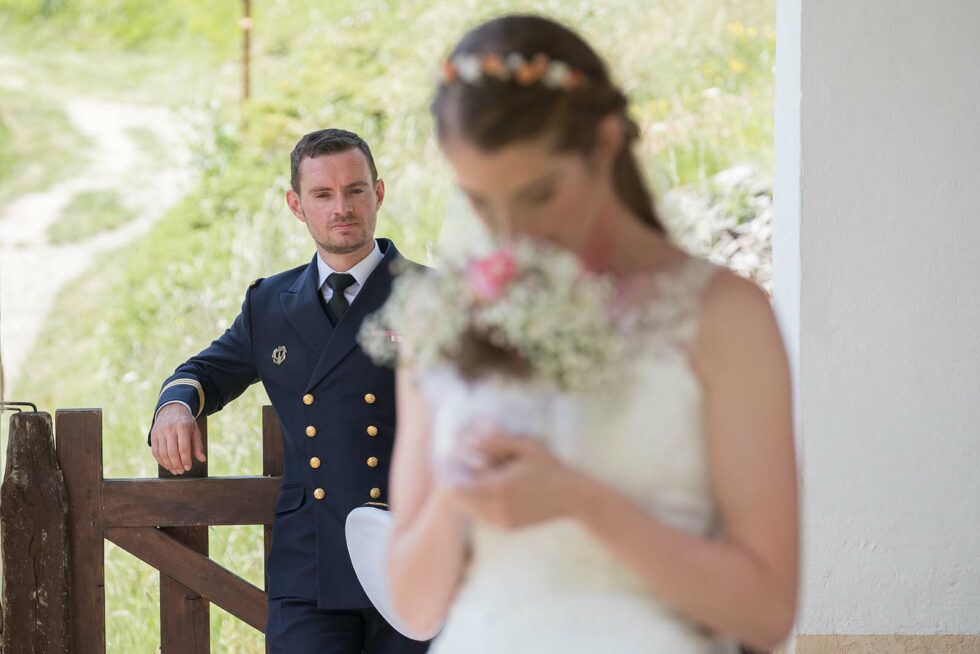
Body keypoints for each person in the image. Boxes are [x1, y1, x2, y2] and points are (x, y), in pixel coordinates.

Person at [385, 14, 798, 653]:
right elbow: (412, 606)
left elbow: (768, 613)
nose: (511, 233)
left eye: (539, 193)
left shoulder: (722, 315)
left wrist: (584, 502)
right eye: (481, 202)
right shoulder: (441, 316)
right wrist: (453, 491)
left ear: (605, 142)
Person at [147, 128, 429, 654]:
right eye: (323, 195)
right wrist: (175, 406)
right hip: (311, 562)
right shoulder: (271, 303)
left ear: (379, 193)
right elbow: (205, 371)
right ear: (296, 205)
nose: (342, 207)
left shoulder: (434, 297)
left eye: (356, 190)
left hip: (412, 549)